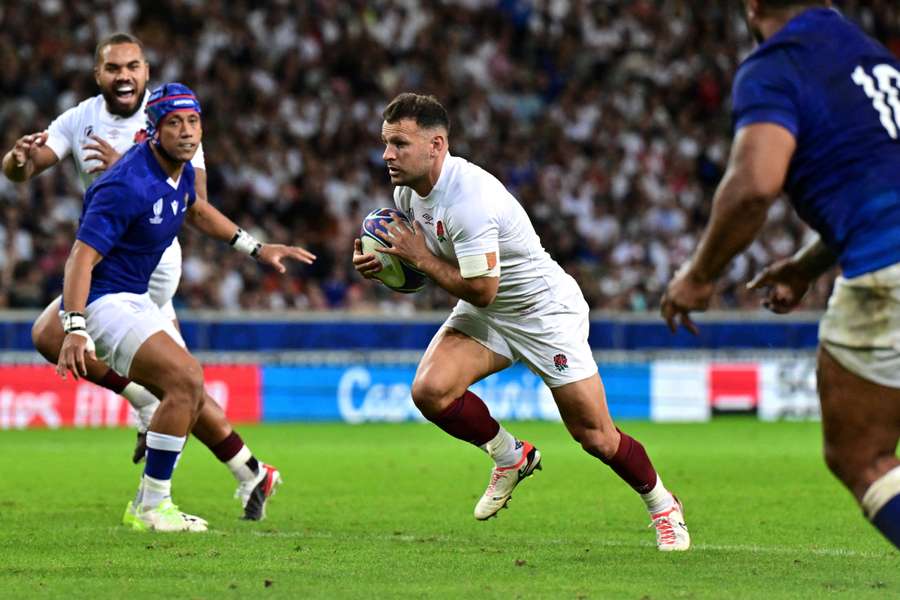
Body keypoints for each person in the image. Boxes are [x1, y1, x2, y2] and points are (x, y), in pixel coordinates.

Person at [353, 93, 690, 551]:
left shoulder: (468, 199)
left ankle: (664, 506)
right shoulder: (406, 193)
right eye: (385, 142)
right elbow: (434, 260)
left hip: (541, 313)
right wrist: (389, 265)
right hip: (489, 310)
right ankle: (511, 457)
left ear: (436, 145)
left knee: (595, 437)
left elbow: (480, 287)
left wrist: (418, 259)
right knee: (430, 391)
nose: (387, 154)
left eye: (399, 143)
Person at [1, 33, 291, 521]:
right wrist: (16, 162)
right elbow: (26, 171)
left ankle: (180, 448)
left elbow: (191, 203)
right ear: (99, 74)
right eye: (114, 67)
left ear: (146, 71)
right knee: (53, 335)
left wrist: (253, 247)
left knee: (180, 384)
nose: (124, 75)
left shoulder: (170, 120)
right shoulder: (83, 120)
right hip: (109, 269)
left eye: (132, 66)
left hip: (151, 269)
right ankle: (245, 470)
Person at [661, 0, 900, 550]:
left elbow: (754, 185)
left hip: (887, 263)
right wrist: (806, 264)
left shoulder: (778, 64)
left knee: (861, 456)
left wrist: (699, 276)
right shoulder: (874, 59)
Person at [56, 82, 314, 531]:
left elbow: (196, 211)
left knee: (186, 387)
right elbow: (81, 256)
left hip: (135, 296)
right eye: (174, 122)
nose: (187, 131)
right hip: (106, 300)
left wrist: (255, 248)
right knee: (185, 379)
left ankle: (245, 473)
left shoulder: (181, 172)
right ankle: (153, 505)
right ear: (152, 130)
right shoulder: (125, 184)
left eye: (193, 121)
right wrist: (76, 325)